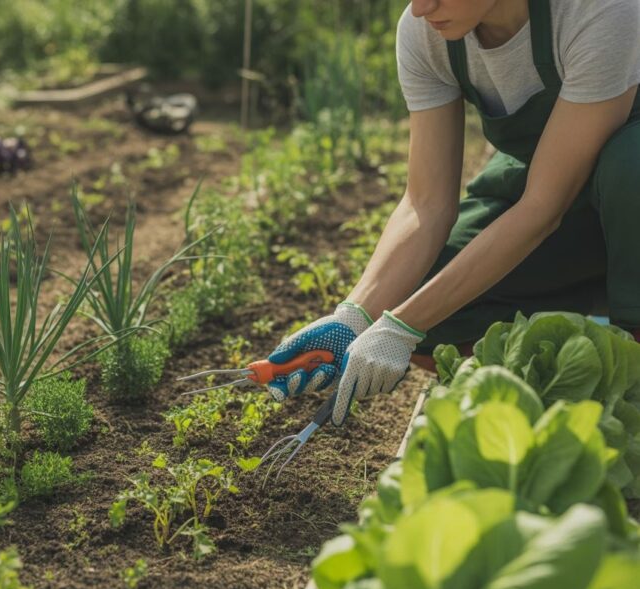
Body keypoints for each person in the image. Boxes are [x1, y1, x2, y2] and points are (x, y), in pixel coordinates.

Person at [267, 0, 640, 427]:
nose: (422, 8)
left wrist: (404, 325)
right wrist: (358, 316)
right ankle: (582, 329)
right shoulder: (424, 33)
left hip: (618, 187)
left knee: (632, 165)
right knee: (427, 296)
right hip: (549, 178)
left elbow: (543, 207)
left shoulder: (599, 9)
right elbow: (425, 203)